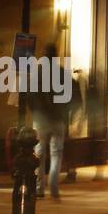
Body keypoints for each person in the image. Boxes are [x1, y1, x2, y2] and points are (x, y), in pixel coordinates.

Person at [28, 45, 69, 200]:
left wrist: (35, 113)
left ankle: (39, 188)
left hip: (41, 120)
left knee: (39, 153)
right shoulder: (62, 73)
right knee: (56, 153)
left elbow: (30, 95)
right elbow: (70, 96)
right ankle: (53, 186)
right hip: (58, 119)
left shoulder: (37, 73)